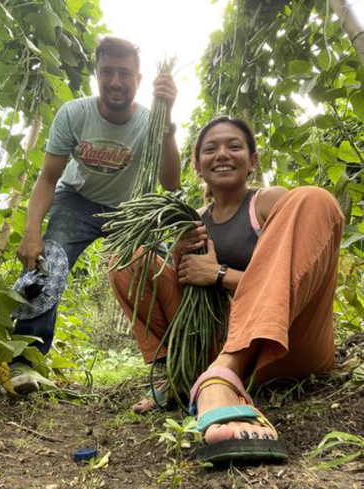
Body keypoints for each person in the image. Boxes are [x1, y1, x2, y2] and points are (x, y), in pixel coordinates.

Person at [109, 115, 344, 462]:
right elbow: (190, 304)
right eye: (210, 149)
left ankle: (223, 377)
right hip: (216, 343)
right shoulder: (194, 224)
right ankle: (178, 375)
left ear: (252, 161)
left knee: (314, 199)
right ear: (198, 166)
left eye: (234, 146)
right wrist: (185, 264)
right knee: (128, 257)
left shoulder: (270, 203)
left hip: (288, 344)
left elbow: (287, 283)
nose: (222, 154)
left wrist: (219, 273)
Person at [11, 36, 181, 393]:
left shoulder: (152, 121)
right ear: (96, 74)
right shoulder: (74, 113)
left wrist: (166, 121)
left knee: (159, 266)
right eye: (107, 72)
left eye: (124, 73)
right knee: (49, 262)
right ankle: (25, 360)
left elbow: (170, 181)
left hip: (130, 208)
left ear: (138, 78)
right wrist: (32, 231)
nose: (116, 81)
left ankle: (175, 359)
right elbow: (47, 177)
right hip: (76, 200)